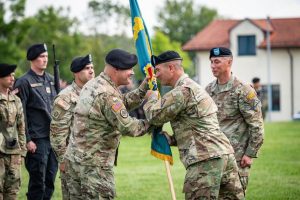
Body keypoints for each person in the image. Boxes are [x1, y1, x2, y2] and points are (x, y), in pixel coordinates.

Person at [144, 50, 244, 199]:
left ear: (171, 68)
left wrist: (151, 98)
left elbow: (154, 116)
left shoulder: (181, 91)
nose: (156, 75)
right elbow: (198, 126)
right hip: (225, 156)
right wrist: (172, 140)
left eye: (158, 70)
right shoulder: (193, 87)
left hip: (205, 161)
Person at [64, 49, 151, 199]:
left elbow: (120, 104)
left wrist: (143, 88)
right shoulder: (107, 94)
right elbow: (129, 127)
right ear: (116, 69)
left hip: (75, 162)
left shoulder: (94, 84)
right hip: (94, 167)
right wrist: (154, 119)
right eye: (128, 68)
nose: (131, 72)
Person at [206, 47, 264, 194]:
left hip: (237, 157)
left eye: (217, 62)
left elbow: (256, 125)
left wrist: (250, 153)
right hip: (214, 156)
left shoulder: (243, 90)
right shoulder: (208, 90)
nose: (213, 66)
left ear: (229, 62)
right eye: (211, 62)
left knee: (234, 196)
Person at [14, 43, 58, 200]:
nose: (45, 60)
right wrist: (27, 140)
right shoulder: (23, 82)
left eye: (46, 56)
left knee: (50, 180)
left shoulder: (52, 80)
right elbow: (20, 114)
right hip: (36, 140)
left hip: (52, 137)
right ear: (32, 59)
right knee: (38, 182)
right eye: (41, 57)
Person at [50, 54, 95, 200]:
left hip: (93, 160)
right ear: (76, 73)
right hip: (73, 162)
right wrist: (63, 160)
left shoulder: (95, 94)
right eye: (87, 68)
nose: (91, 71)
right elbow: (57, 133)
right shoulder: (65, 97)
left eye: (92, 67)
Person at [0, 63, 26, 200]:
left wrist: (22, 151)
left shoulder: (16, 100)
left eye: (13, 76)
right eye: (9, 75)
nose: (12, 78)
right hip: (0, 152)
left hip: (14, 152)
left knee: (12, 191)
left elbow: (21, 126)